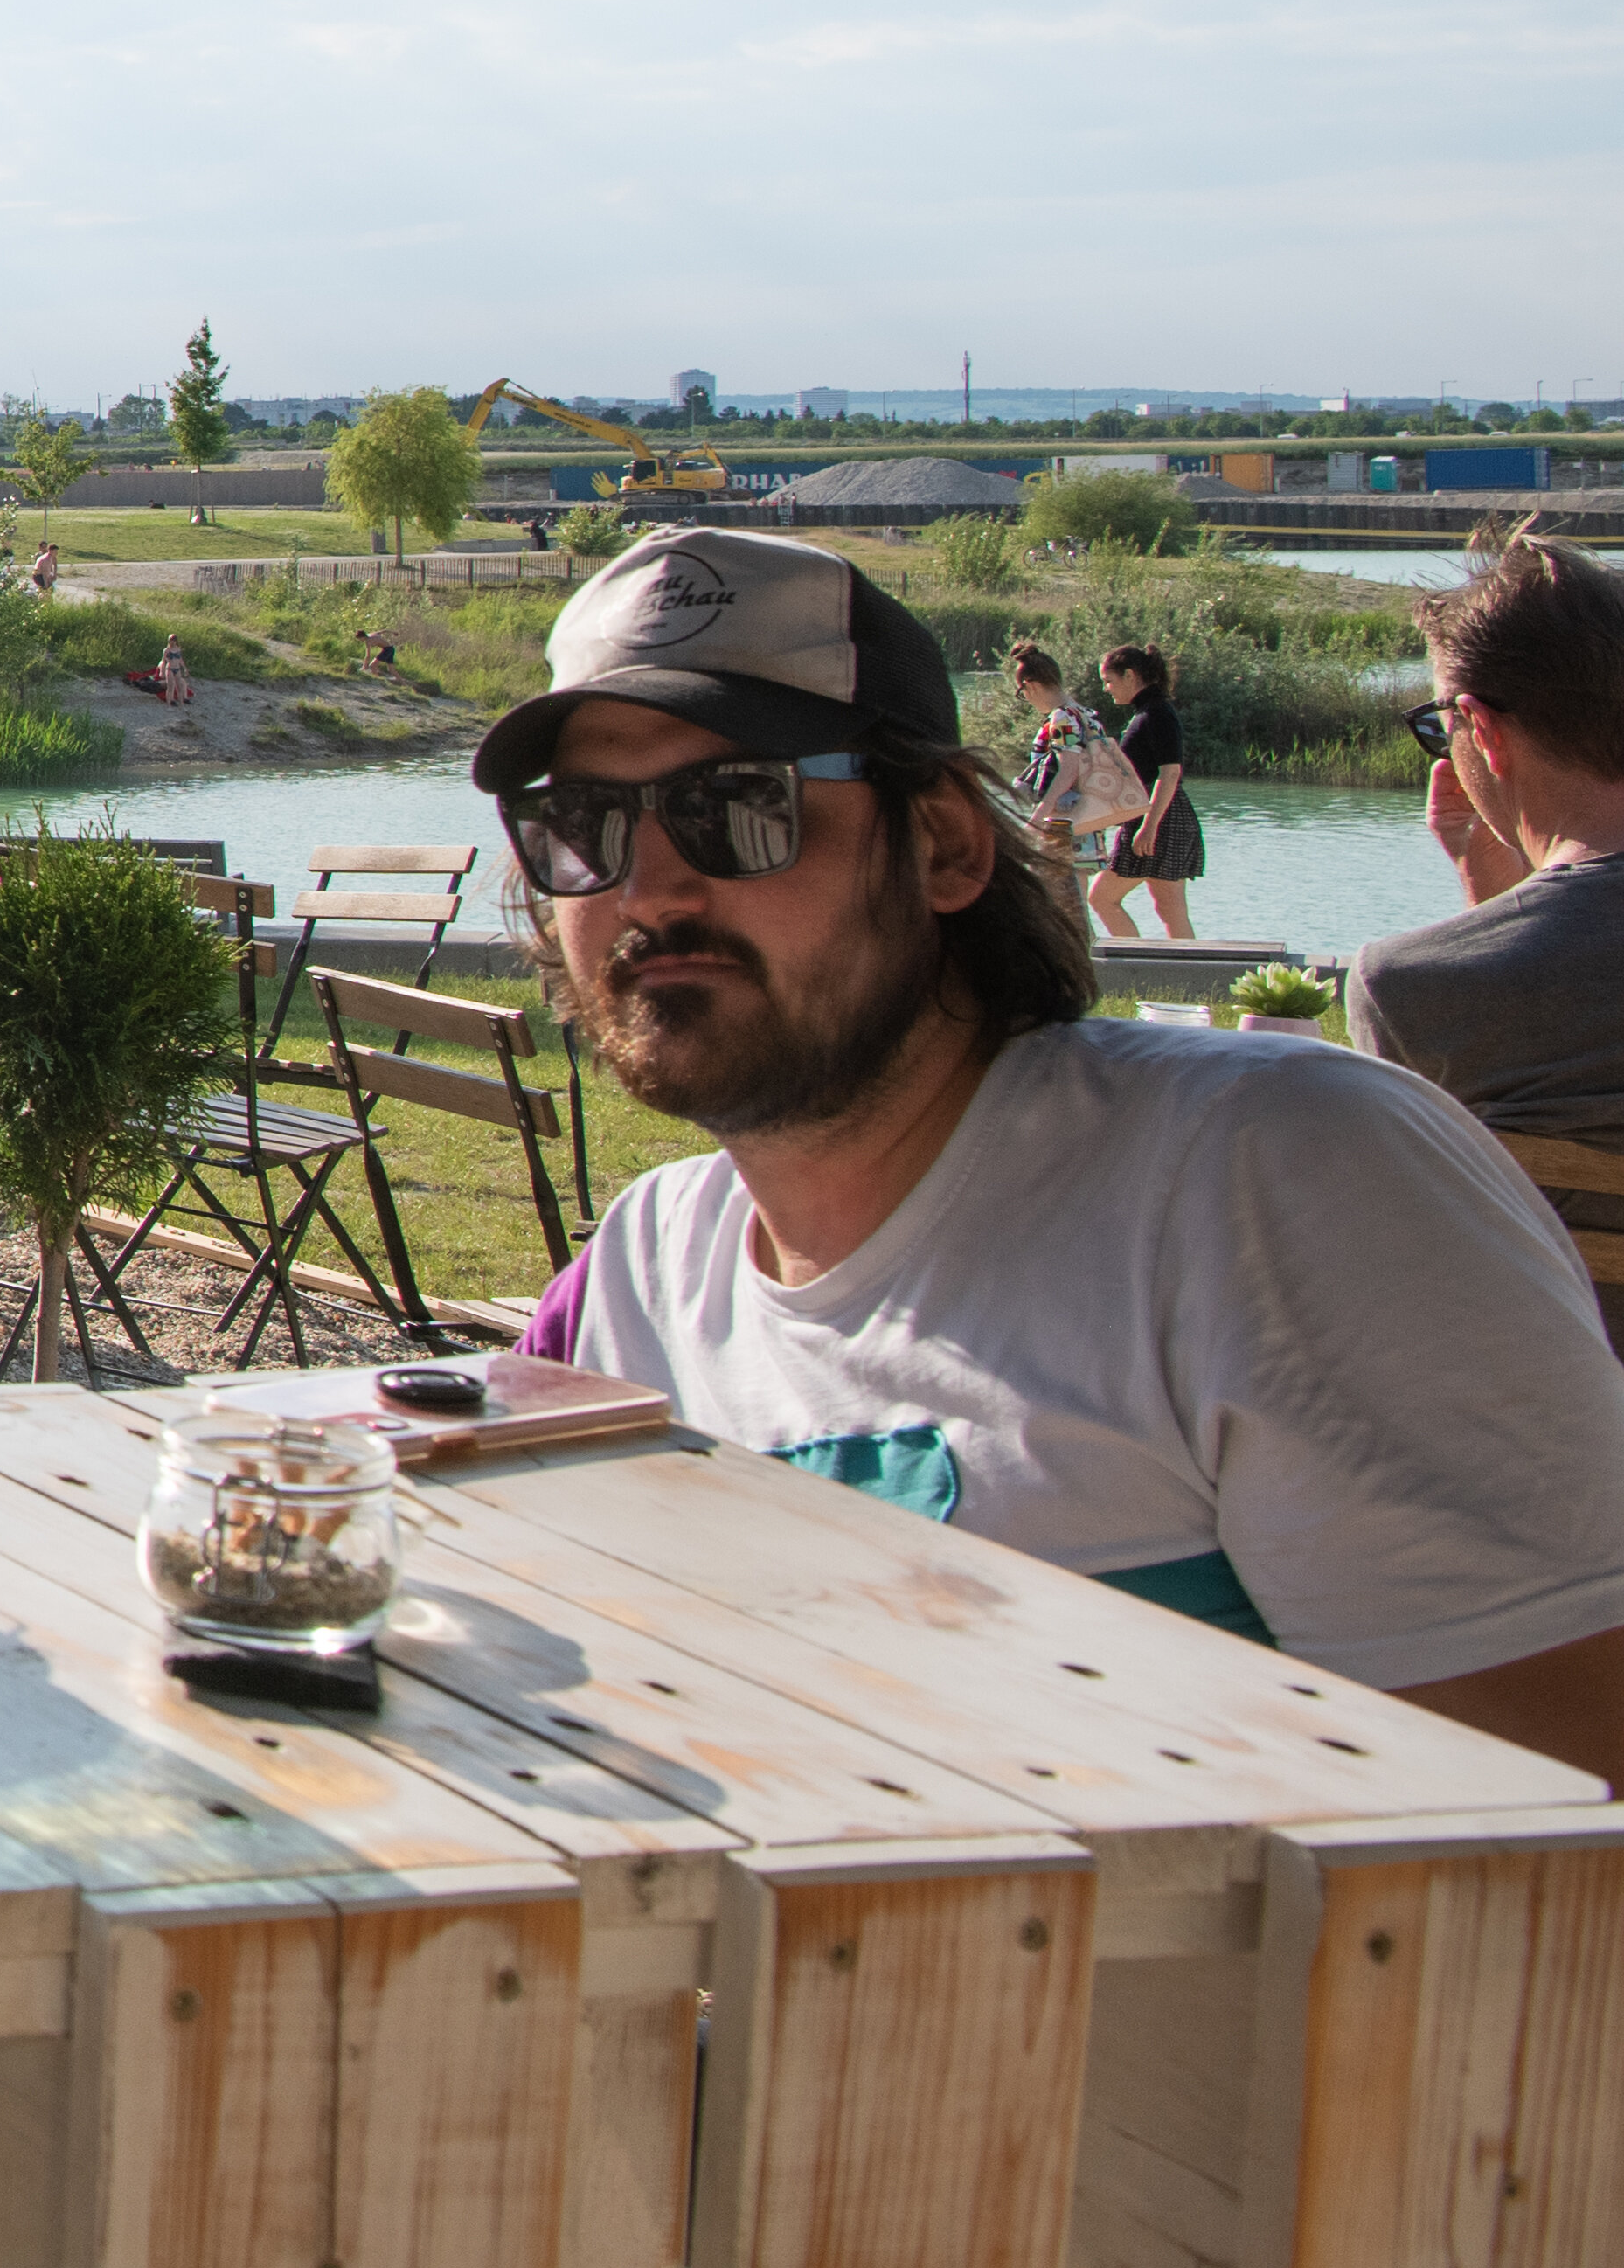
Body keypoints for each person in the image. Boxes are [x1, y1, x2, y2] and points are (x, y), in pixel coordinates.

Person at [482, 528, 1624, 1783]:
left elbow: (1561, 1839)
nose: (648, 889)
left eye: (737, 807)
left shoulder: (1277, 1176)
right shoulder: (651, 1269)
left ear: (947, 848)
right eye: (581, 822)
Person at [1346, 539, 1624, 1147]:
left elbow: (1444, 1211)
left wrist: (1494, 906)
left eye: (1441, 731)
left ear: (1485, 732)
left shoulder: (1406, 987)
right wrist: (1494, 893)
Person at [1091, 641, 1200, 940]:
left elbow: (1171, 773)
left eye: (1109, 681)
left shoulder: (1156, 714)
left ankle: (1137, 965)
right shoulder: (1149, 711)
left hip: (1158, 817)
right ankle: (1187, 976)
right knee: (1170, 910)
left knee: (1102, 898)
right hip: (1162, 816)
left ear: (1130, 675)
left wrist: (1149, 827)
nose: (1107, 689)